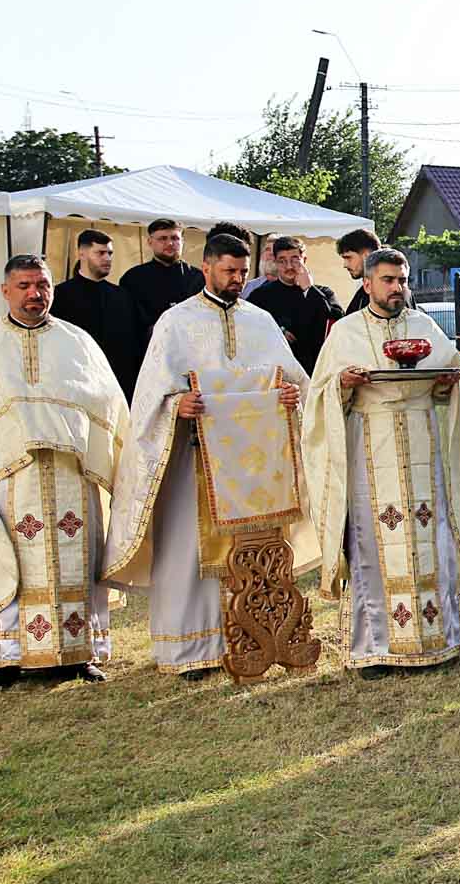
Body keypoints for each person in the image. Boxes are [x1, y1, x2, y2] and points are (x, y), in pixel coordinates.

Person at [101, 225, 314, 680]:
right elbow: (152, 393)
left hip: (257, 470)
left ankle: (259, 637)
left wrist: (292, 396)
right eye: (228, 271)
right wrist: (176, 404)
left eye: (242, 271)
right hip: (194, 463)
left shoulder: (260, 321)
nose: (237, 279)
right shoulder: (176, 322)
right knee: (188, 553)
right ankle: (194, 650)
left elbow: (291, 378)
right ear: (207, 269)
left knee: (255, 552)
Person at [0, 256, 131, 688]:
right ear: (5, 291)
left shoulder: (77, 342)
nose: (34, 294)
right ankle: (9, 659)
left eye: (42, 285)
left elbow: (107, 403)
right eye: (25, 285)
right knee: (13, 561)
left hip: (70, 476)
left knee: (76, 564)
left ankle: (79, 654)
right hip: (8, 477)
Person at [303, 249, 460, 675]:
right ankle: (374, 648)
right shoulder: (345, 333)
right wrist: (342, 385)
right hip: (371, 444)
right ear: (367, 285)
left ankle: (436, 639)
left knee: (428, 537)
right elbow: (320, 400)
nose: (397, 287)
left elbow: (450, 387)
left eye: (402, 280)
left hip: (423, 442)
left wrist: (445, 385)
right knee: (372, 544)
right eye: (388, 280)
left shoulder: (424, 326)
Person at [52, 228, 141, 397]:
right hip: (75, 384)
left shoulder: (123, 296)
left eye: (110, 253)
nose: (107, 258)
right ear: (82, 254)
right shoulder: (60, 296)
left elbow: (133, 344)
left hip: (119, 386)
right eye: (100, 253)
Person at [118, 217, 204, 379]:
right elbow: (128, 322)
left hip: (190, 357)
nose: (170, 243)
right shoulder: (133, 278)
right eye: (163, 239)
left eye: (175, 238)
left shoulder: (198, 277)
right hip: (147, 357)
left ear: (183, 241)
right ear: (150, 242)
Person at [247, 236, 344, 376]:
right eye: (282, 261)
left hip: (314, 371)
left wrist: (309, 290)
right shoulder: (260, 295)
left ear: (304, 260)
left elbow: (334, 323)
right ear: (275, 262)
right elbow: (249, 326)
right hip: (275, 372)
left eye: (295, 259)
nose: (289, 266)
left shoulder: (324, 293)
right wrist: (276, 330)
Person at [338, 228, 380, 316]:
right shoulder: (364, 291)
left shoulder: (384, 291)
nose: (345, 265)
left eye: (348, 257)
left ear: (367, 255)